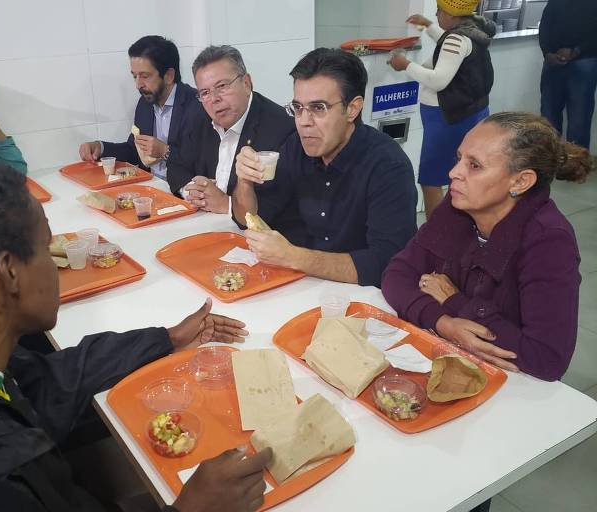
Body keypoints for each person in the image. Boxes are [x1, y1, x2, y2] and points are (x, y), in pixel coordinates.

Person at [0, 160, 271, 512]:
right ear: (10, 273)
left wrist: (166, 339)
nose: (55, 267)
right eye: (46, 249)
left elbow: (53, 378)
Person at [382, 112, 592, 382]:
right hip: (451, 363)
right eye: (460, 159)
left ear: (520, 182)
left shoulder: (550, 241)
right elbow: (397, 274)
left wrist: (453, 301)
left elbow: (546, 359)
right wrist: (443, 322)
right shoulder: (458, 204)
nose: (454, 173)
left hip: (515, 388)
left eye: (475, 166)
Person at [232, 48, 417, 287]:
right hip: (302, 284)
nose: (304, 122)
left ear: (352, 108)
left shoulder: (387, 165)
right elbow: (249, 218)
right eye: (298, 108)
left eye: (318, 108)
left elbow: (386, 264)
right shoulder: (295, 147)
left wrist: (293, 257)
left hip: (359, 297)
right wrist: (244, 182)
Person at [389, 0, 495, 218]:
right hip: (471, 113)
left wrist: (405, 65)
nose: (436, 14)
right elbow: (446, 43)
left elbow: (438, 81)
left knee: (431, 179)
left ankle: (435, 235)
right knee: (465, 172)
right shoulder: (472, 31)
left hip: (448, 118)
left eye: (439, 11)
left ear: (451, 15)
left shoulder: (456, 39)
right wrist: (428, 25)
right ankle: (456, 227)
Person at [167, 45, 295, 214]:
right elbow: (176, 162)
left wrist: (226, 204)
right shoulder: (198, 115)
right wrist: (191, 190)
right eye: (205, 92)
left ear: (247, 84)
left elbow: (281, 205)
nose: (214, 99)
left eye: (222, 86)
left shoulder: (280, 128)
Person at [78, 36, 202, 181]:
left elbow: (204, 161)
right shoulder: (145, 103)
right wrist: (100, 147)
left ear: (168, 75)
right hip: (149, 186)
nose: (138, 85)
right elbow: (134, 151)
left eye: (144, 76)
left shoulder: (197, 104)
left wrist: (165, 151)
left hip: (184, 192)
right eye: (135, 76)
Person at [539, 0, 597, 150]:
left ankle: (575, 168)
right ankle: (550, 165)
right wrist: (547, 53)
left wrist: (576, 51)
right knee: (548, 119)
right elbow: (544, 26)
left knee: (579, 120)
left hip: (584, 62)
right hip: (553, 63)